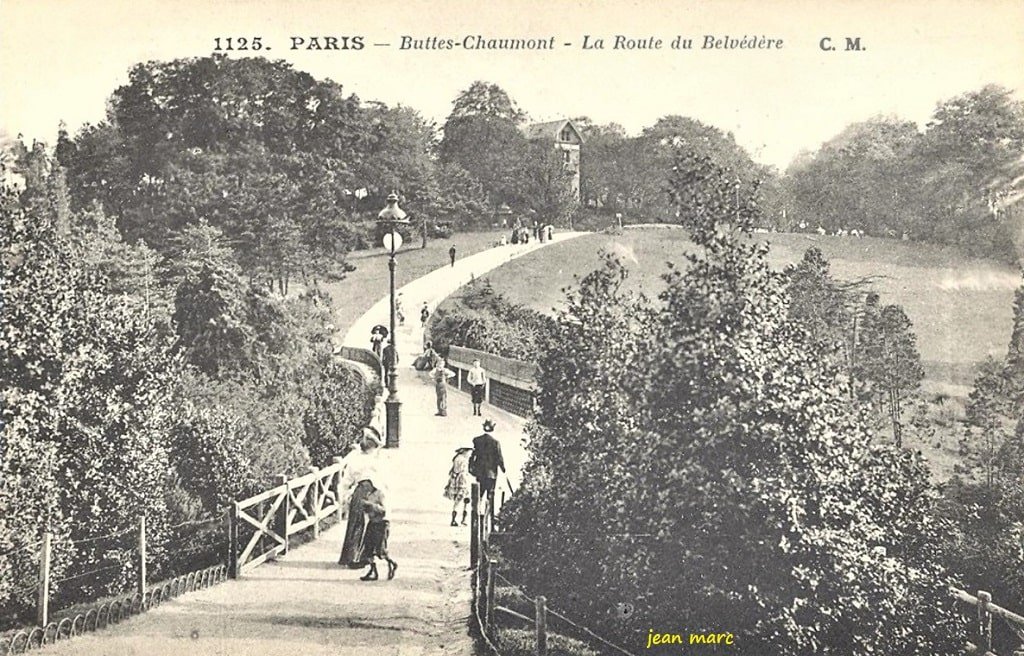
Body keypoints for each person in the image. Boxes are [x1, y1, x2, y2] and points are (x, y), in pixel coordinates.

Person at [339, 427, 385, 568]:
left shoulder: (355, 460)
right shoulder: (376, 461)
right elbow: (383, 481)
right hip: (372, 493)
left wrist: (344, 498)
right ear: (373, 448)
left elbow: (346, 481)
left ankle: (351, 557)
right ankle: (359, 558)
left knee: (356, 524)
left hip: (359, 492)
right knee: (368, 524)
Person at [359, 483, 397, 581]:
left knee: (380, 550)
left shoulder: (381, 494)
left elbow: (384, 510)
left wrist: (371, 506)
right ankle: (373, 571)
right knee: (368, 547)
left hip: (382, 523)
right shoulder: (368, 495)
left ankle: (392, 563)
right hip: (372, 522)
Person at [469, 419, 505, 515]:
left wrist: (471, 467)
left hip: (480, 472)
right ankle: (487, 513)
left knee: (479, 492)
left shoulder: (477, 440)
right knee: (490, 494)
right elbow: (499, 458)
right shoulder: (495, 442)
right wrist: (503, 468)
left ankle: (478, 510)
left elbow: (473, 455)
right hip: (491, 473)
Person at [444, 447, 473, 526]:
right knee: (462, 500)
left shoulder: (458, 458)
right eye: (469, 452)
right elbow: (458, 470)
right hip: (462, 481)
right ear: (464, 451)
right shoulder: (462, 459)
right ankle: (460, 519)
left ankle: (459, 519)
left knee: (462, 501)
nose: (470, 454)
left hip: (459, 480)